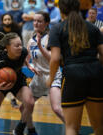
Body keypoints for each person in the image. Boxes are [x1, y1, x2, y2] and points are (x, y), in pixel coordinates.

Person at [47, 0, 103, 135]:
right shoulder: (93, 28)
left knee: (72, 127)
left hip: (73, 75)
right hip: (95, 73)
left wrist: (50, 79)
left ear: (61, 10)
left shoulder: (57, 28)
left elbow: (54, 59)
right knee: (99, 126)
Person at [26, 11, 64, 127]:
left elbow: (54, 59)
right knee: (25, 106)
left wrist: (40, 47)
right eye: (35, 21)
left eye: (39, 21)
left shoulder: (51, 37)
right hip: (39, 77)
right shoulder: (31, 40)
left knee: (56, 108)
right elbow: (26, 59)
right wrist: (29, 66)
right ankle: (30, 129)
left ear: (46, 23)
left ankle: (73, 128)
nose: (36, 23)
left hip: (52, 76)